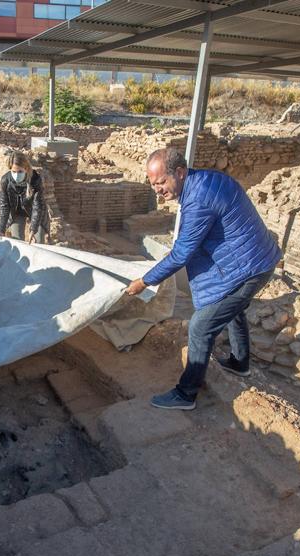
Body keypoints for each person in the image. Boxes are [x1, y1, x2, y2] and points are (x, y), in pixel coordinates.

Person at [125, 148, 281, 410]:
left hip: (249, 267)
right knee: (233, 308)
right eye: (153, 185)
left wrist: (145, 281)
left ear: (180, 172)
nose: (158, 190)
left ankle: (185, 394)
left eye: (161, 182)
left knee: (200, 326)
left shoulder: (199, 199)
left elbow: (182, 253)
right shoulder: (204, 181)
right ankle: (240, 363)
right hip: (255, 259)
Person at [0, 150, 47, 244]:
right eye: (13, 171)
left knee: (38, 241)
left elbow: (37, 206)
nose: (16, 175)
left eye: (20, 171)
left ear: (26, 168)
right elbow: (4, 206)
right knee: (17, 241)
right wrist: (1, 229)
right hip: (16, 212)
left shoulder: (35, 179)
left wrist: (33, 229)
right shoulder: (5, 181)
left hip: (35, 212)